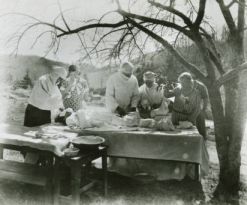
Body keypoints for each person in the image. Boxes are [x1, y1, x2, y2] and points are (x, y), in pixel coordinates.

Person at [170, 72, 209, 140]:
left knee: (199, 133)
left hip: (197, 110)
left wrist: (203, 110)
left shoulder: (200, 87)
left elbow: (205, 98)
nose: (183, 85)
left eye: (184, 84)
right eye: (181, 83)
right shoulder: (180, 86)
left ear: (189, 82)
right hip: (183, 111)